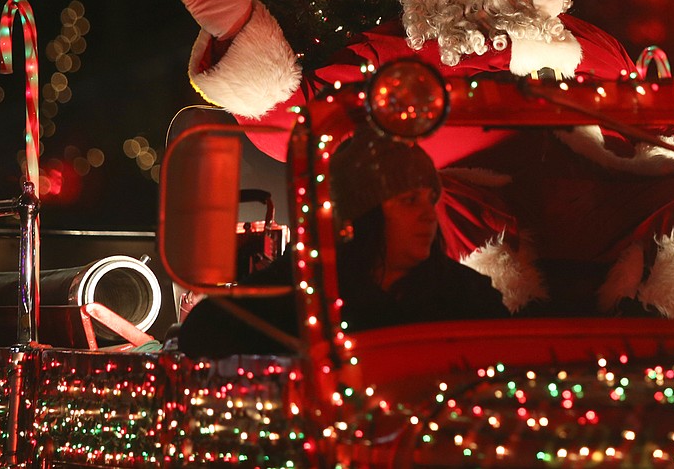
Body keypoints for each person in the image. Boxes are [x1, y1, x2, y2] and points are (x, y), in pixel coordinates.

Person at [176, 0, 674, 319]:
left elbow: (656, 132)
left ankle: (670, 332)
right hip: (472, 227)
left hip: (605, 224)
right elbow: (296, 129)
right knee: (419, 205)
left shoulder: (588, 44)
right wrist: (238, 32)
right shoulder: (387, 52)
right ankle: (472, 331)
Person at [178, 131, 508, 358]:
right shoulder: (298, 291)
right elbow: (202, 332)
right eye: (409, 201)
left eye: (429, 200)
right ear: (362, 213)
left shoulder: (467, 296)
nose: (428, 216)